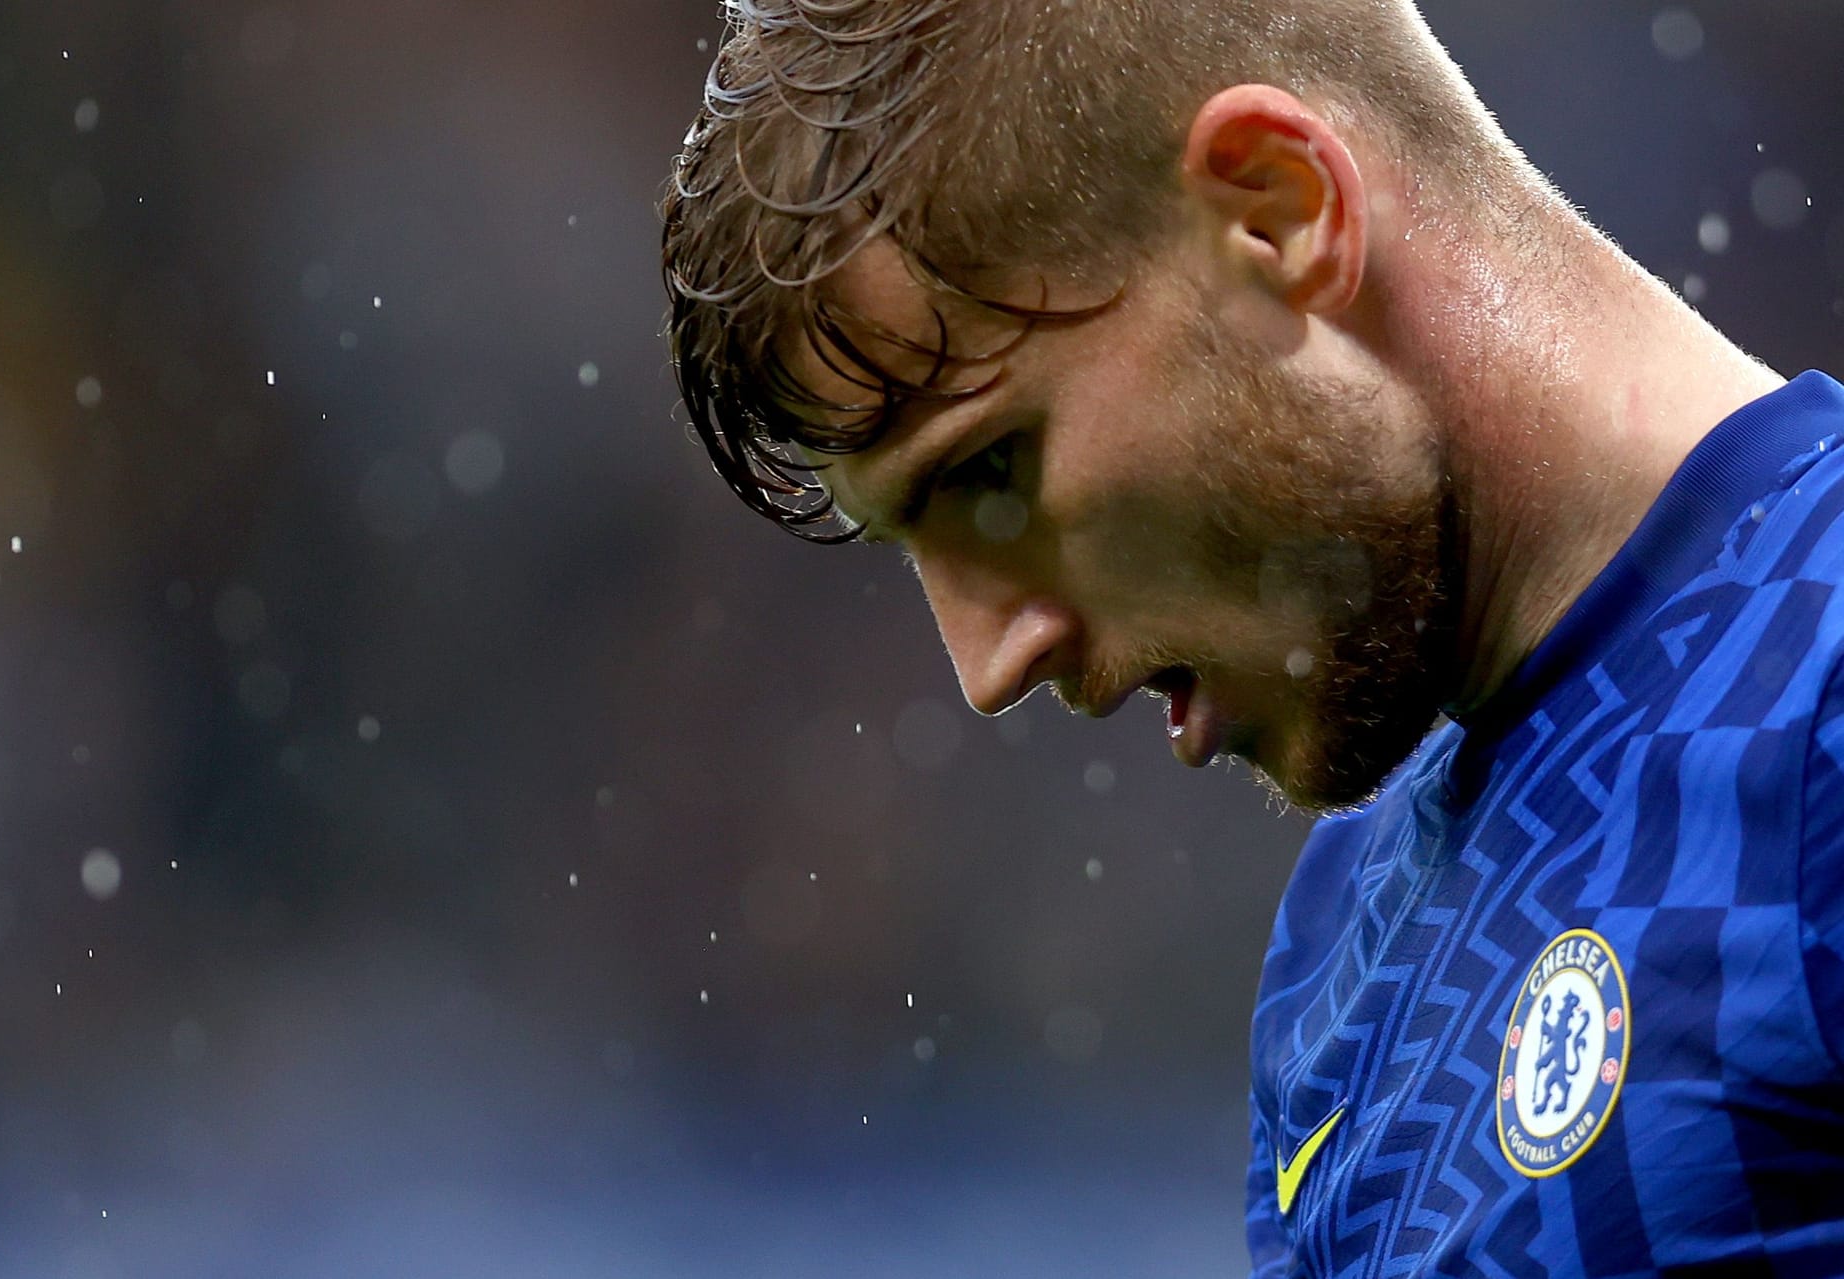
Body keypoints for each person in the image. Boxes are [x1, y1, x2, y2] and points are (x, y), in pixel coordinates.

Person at [659, 1, 1844, 1273]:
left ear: (1278, 216)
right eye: (911, 549)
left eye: (991, 473)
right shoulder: (1343, 943)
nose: (988, 666)